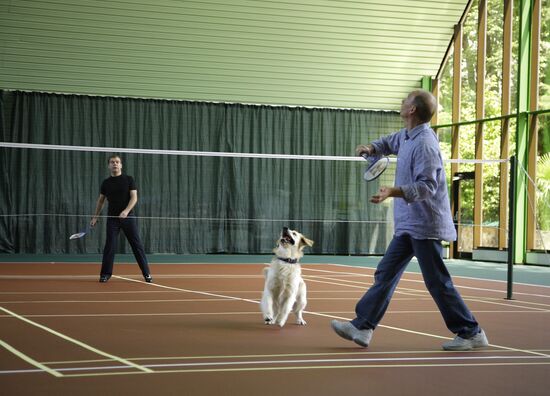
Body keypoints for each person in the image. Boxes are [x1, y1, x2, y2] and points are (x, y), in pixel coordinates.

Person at [331, 90, 488, 351]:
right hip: (407, 225)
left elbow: (428, 186)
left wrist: (394, 191)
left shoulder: (426, 144)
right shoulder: (407, 135)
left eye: (406, 101)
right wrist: (372, 148)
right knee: (385, 273)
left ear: (412, 110)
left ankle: (471, 332)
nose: (402, 103)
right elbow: (390, 142)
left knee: (437, 281)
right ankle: (363, 326)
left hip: (425, 225)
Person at [90, 155, 152, 283]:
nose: (115, 164)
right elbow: (101, 201)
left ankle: (147, 274)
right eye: (112, 162)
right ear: (109, 166)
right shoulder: (106, 183)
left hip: (128, 218)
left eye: (117, 162)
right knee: (110, 246)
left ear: (121, 165)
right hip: (112, 219)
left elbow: (134, 197)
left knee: (137, 245)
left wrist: (126, 211)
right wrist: (95, 217)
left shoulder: (129, 179)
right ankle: (105, 274)